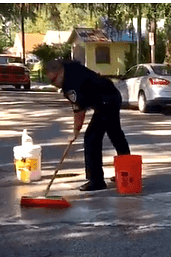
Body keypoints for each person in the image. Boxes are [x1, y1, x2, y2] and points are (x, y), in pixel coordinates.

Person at [45, 59, 131, 191]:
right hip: (111, 96)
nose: (55, 85)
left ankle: (96, 181)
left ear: (60, 72)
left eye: (53, 80)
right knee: (115, 133)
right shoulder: (72, 71)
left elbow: (79, 112)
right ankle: (127, 172)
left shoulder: (70, 82)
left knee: (91, 138)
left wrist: (75, 131)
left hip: (106, 101)